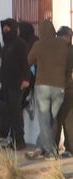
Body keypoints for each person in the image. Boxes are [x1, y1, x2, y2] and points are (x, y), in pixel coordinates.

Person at [25, 20, 71, 160]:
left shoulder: (38, 45)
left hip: (43, 86)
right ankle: (40, 147)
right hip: (59, 87)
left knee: (45, 120)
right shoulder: (63, 44)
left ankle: (50, 152)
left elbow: (30, 60)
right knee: (51, 119)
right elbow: (69, 62)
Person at [0, 18, 29, 151]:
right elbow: (3, 66)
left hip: (17, 84)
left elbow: (25, 63)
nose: (5, 31)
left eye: (8, 29)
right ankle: (12, 139)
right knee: (8, 113)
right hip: (6, 84)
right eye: (4, 29)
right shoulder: (5, 47)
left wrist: (25, 79)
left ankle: (19, 140)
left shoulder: (20, 44)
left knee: (16, 113)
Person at [55, 26, 73, 157]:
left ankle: (54, 147)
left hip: (62, 89)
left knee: (58, 119)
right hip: (66, 88)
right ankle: (68, 148)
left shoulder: (56, 51)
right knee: (66, 120)